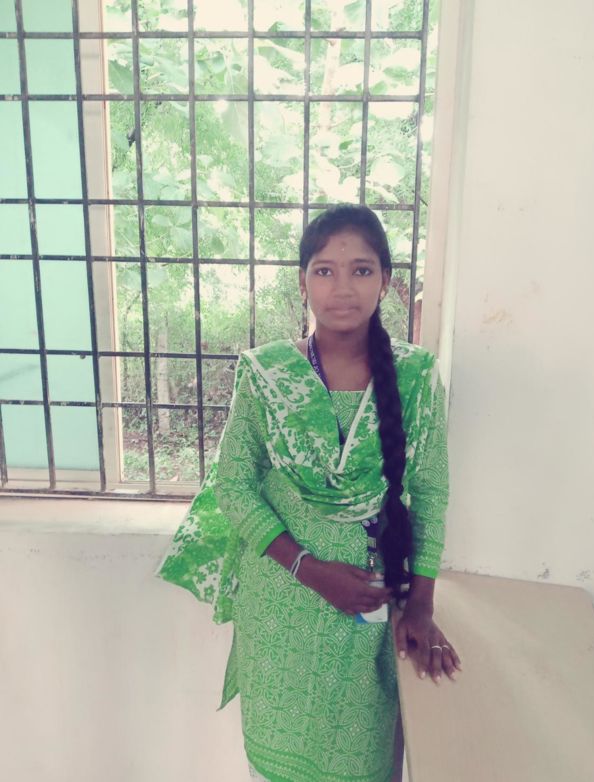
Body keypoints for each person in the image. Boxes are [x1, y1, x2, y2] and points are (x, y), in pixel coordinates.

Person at [155, 204, 462, 782]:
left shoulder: (417, 376)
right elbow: (233, 484)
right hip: (281, 606)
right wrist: (309, 568)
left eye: (361, 270)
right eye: (325, 271)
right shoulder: (266, 374)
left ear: (386, 281)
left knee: (363, 760)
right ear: (303, 282)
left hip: (369, 607)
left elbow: (430, 491)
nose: (342, 287)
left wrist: (420, 605)